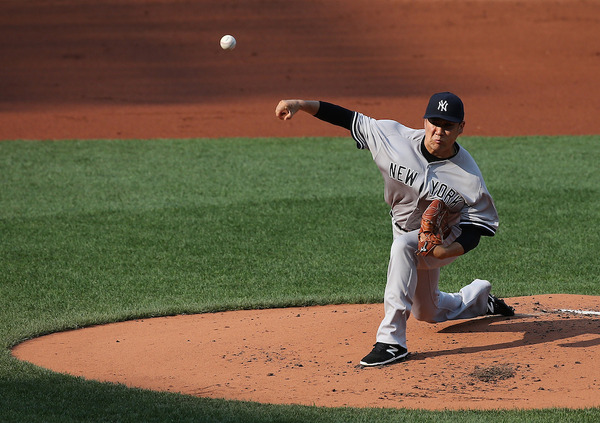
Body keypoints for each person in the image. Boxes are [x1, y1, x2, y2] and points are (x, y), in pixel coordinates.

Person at [275, 92, 515, 367]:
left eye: (448, 125)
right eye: (434, 122)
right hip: (402, 229)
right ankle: (480, 301)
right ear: (424, 121)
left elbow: (475, 229)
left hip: (445, 237)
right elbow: (348, 118)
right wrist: (300, 105)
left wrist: (446, 250)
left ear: (461, 128)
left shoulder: (469, 177)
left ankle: (391, 342)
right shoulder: (393, 138)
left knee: (403, 247)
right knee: (427, 310)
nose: (439, 131)